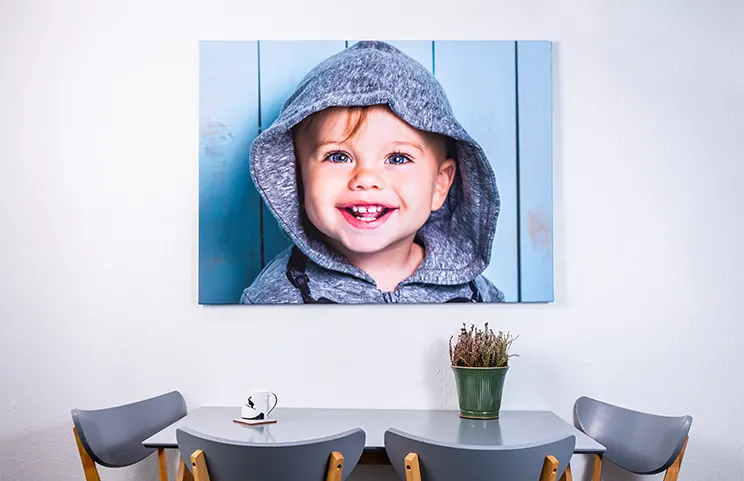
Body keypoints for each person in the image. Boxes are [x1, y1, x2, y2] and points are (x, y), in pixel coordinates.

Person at [240, 41, 504, 304]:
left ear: (440, 184)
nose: (366, 178)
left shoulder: (476, 296)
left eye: (398, 158)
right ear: (297, 175)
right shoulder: (275, 299)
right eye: (338, 156)